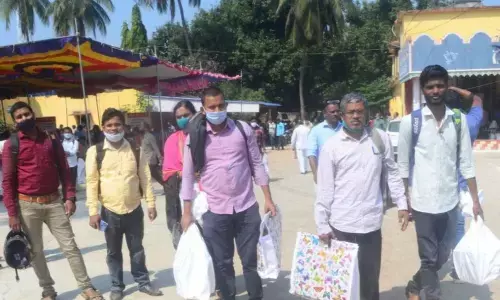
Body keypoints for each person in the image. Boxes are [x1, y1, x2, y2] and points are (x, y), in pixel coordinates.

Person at [180, 87, 277, 300]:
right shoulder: (195, 137)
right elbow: (187, 176)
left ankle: (256, 296)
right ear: (203, 110)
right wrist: (186, 213)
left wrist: (268, 199)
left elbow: (257, 164)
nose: (217, 110)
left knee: (251, 260)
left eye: (221, 105)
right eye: (212, 106)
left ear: (226, 105)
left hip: (246, 206)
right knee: (222, 263)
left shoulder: (243, 130)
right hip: (215, 210)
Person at [2, 102, 103, 300]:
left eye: (26, 114)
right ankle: (48, 290)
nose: (24, 118)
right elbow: (7, 181)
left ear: (33, 114)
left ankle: (86, 287)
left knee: (70, 247)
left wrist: (70, 197)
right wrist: (12, 213)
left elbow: (64, 169)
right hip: (27, 205)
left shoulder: (50, 138)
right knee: (36, 251)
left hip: (54, 202)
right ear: (15, 121)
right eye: (19, 117)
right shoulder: (11, 145)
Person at [398, 65, 483, 300]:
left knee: (443, 255)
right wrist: (403, 202)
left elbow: (466, 163)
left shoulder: (458, 121)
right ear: (423, 89)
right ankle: (432, 296)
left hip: (450, 202)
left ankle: (415, 284)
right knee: (428, 257)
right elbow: (403, 166)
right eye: (430, 86)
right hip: (422, 203)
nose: (435, 90)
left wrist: (475, 201)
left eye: (439, 85)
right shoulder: (410, 123)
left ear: (446, 87)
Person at [315, 93, 409, 300]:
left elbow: (392, 173)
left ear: (366, 113)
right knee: (343, 284)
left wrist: (402, 203)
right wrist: (322, 225)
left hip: (371, 225)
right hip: (342, 225)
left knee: (369, 281)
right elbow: (324, 189)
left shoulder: (379, 139)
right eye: (351, 112)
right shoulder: (332, 146)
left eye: (359, 111)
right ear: (342, 115)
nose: (356, 116)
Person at [86, 108, 162, 300]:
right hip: (109, 212)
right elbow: (92, 182)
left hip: (134, 209)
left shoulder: (136, 150)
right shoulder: (95, 152)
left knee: (137, 249)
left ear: (124, 126)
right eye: (109, 125)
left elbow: (145, 177)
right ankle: (117, 286)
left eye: (117, 124)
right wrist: (93, 211)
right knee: (113, 252)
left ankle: (143, 282)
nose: (113, 128)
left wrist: (151, 204)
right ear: (103, 127)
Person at [445, 86, 484, 281]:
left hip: (439, 184)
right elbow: (477, 100)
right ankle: (458, 268)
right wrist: (455, 88)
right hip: (461, 186)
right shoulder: (470, 122)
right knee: (458, 227)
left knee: (437, 227)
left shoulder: (438, 122)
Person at [162, 100, 196, 249]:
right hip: (181, 193)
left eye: (186, 115)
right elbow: (168, 170)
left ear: (194, 114)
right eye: (179, 117)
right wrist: (186, 173)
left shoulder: (207, 135)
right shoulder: (173, 140)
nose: (183, 119)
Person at [307, 100, 343, 183]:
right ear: (325, 113)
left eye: (337, 111)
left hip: (344, 174)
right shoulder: (316, 131)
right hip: (325, 175)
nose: (336, 114)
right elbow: (311, 154)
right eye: (332, 112)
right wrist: (316, 174)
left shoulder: (345, 129)